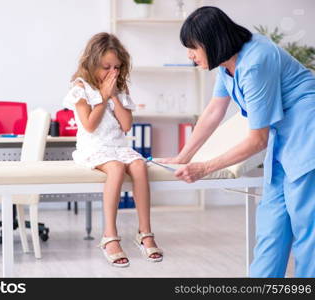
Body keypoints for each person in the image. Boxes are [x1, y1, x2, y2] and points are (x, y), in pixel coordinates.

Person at [161, 6, 315, 277]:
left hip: (307, 133)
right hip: (283, 141)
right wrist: (183, 156)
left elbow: (257, 140)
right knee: (271, 228)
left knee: (307, 229)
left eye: (193, 47)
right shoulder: (226, 65)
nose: (190, 55)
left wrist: (204, 167)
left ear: (212, 41)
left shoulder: (256, 62)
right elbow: (213, 112)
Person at [63, 32, 163, 267]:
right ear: (92, 63)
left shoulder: (119, 87)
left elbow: (126, 125)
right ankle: (109, 236)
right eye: (106, 67)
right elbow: (89, 125)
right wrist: (103, 98)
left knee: (138, 165)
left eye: (117, 67)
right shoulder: (81, 87)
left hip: (117, 145)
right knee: (116, 169)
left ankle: (145, 232)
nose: (112, 72)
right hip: (94, 146)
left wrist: (115, 96)